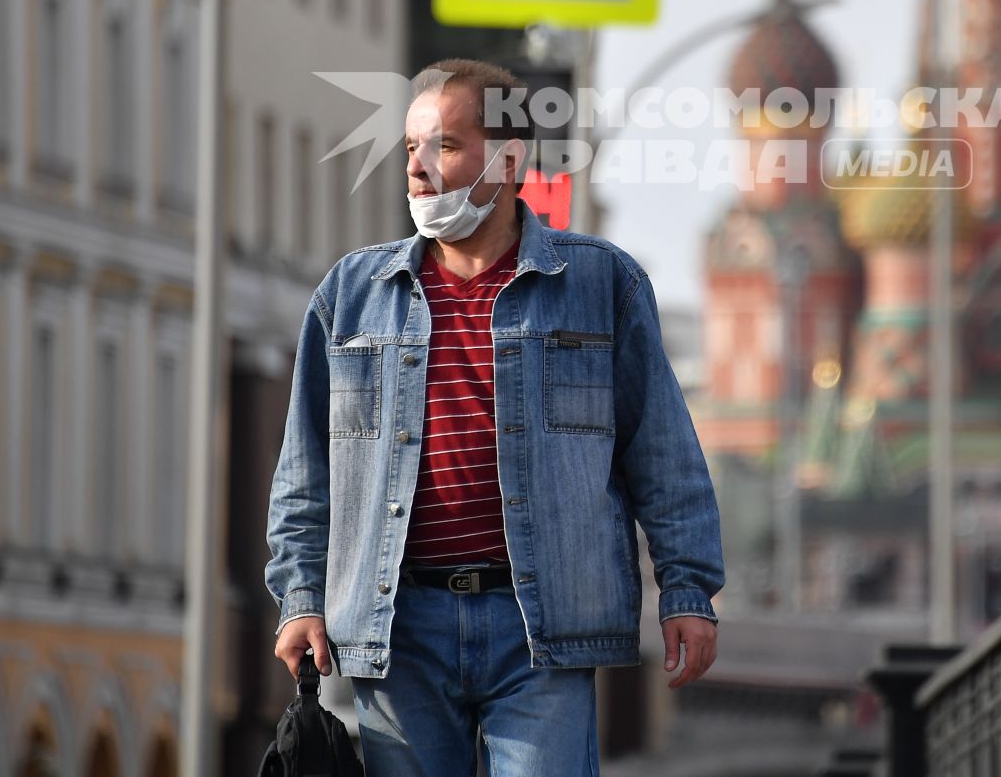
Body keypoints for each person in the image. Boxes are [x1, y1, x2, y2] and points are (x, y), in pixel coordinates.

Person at [265, 59, 724, 774]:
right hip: (398, 627)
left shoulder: (601, 284)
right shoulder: (352, 294)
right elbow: (306, 469)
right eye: (411, 147)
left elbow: (661, 454)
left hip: (542, 624)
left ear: (511, 160)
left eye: (445, 146)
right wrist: (299, 595)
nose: (417, 169)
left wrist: (686, 589)